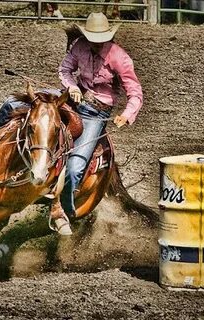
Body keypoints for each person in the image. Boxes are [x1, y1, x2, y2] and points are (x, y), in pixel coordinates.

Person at [55, 12, 143, 219]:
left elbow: (135, 92)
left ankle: (64, 212)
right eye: (92, 40)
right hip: (73, 101)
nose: (95, 44)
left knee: (75, 166)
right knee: (31, 109)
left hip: (96, 113)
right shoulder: (79, 46)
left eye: (100, 41)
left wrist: (126, 114)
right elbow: (64, 70)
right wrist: (72, 86)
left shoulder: (119, 57)